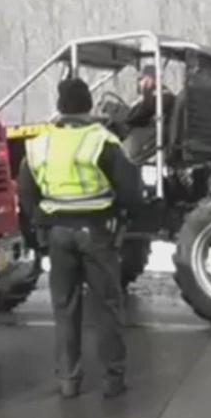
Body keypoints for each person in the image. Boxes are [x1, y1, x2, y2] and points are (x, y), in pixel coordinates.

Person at [18, 78, 145, 399]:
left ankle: (69, 382)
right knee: (107, 306)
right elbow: (131, 193)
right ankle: (113, 379)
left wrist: (42, 228)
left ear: (60, 107)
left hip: (58, 235)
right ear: (89, 106)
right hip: (96, 232)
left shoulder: (38, 145)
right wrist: (122, 218)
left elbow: (26, 194)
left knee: (65, 308)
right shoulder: (102, 141)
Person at [121, 64, 177, 164]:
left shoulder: (163, 95)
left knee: (124, 149)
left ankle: (123, 161)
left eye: (142, 79)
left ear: (151, 79)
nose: (140, 83)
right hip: (154, 131)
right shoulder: (156, 95)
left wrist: (146, 90)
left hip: (158, 133)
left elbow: (142, 114)